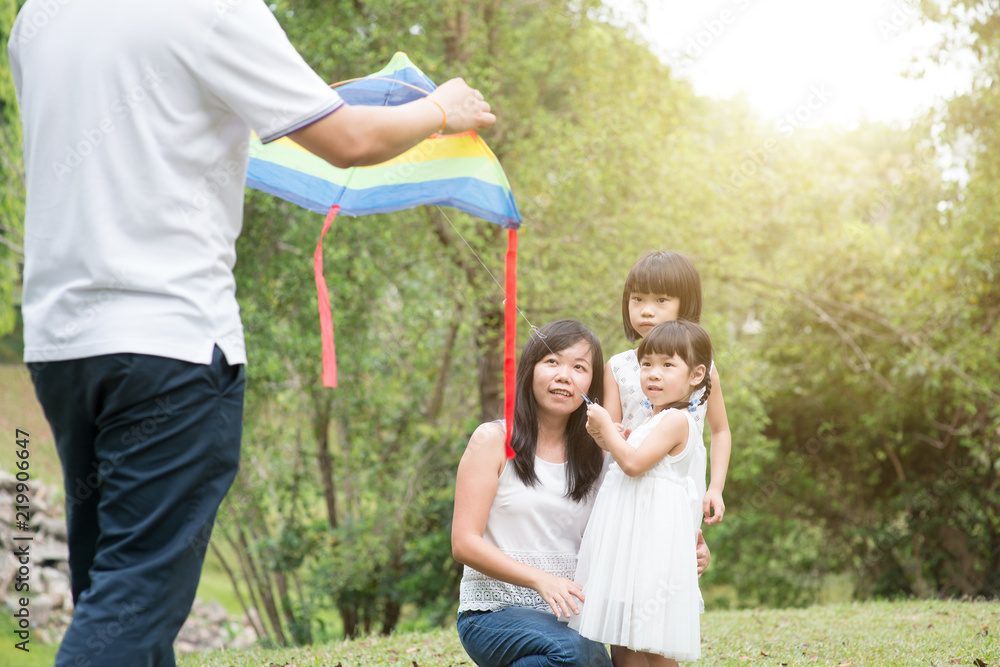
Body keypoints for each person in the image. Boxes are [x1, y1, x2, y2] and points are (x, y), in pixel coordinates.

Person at [8, 0, 494, 664]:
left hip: (63, 345)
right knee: (132, 603)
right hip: (169, 345)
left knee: (114, 590)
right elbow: (349, 139)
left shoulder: (40, 15)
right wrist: (442, 107)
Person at [451, 319, 711, 666]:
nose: (564, 376)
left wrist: (683, 548)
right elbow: (464, 543)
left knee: (590, 657)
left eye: (579, 367)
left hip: (568, 616)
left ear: (591, 384)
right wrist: (541, 580)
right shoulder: (493, 440)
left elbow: (637, 515)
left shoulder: (603, 455)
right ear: (530, 369)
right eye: (552, 362)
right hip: (494, 613)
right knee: (578, 653)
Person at [572, 320, 719, 664]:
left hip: (651, 548)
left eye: (668, 365)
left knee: (648, 636)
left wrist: (608, 429)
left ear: (696, 375)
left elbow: (633, 464)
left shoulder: (676, 420)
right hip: (635, 544)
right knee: (629, 638)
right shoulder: (655, 420)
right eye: (647, 364)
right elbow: (632, 455)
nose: (654, 374)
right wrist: (611, 435)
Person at [604, 251, 732, 526]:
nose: (646, 310)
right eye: (637, 299)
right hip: (629, 486)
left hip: (680, 485)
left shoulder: (701, 368)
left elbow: (720, 430)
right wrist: (602, 431)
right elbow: (609, 437)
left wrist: (716, 487)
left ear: (684, 304)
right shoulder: (618, 366)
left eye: (661, 300)